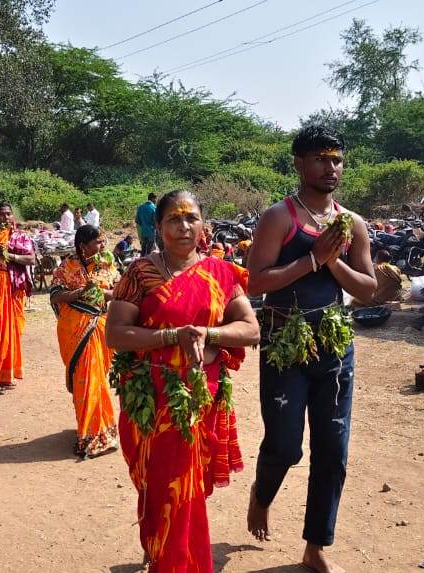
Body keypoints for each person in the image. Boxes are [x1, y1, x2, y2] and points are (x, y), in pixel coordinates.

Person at [106, 190, 260, 572]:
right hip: (153, 396)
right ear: (158, 227)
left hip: (201, 395)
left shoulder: (221, 272)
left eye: (192, 217)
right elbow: (116, 333)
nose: (184, 226)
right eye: (174, 219)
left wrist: (208, 334)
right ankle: (162, 546)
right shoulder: (139, 273)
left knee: (186, 487)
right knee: (159, 483)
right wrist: (171, 336)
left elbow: (250, 329)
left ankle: (174, 558)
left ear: (203, 224)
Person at [245, 125, 375, 573]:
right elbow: (256, 282)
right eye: (321, 158)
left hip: (335, 348)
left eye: (337, 159)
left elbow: (370, 289)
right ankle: (261, 496)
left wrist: (333, 259)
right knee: (284, 446)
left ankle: (316, 546)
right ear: (299, 163)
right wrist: (312, 259)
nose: (331, 167)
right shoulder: (278, 218)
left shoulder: (352, 223)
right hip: (285, 343)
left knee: (332, 450)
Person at [50, 225, 120, 459]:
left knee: (98, 378)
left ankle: (101, 431)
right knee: (86, 380)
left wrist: (100, 293)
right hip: (74, 328)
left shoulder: (106, 264)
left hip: (99, 326)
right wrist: (80, 292)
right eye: (98, 242)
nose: (102, 246)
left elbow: (118, 291)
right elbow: (56, 295)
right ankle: (89, 434)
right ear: (83, 246)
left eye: (103, 241)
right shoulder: (67, 266)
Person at [0, 202, 36, 389]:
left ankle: (5, 376)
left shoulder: (19, 236)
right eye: (1, 214)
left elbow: (31, 258)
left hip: (12, 287)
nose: (6, 217)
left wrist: (9, 256)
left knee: (11, 331)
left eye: (9, 214)